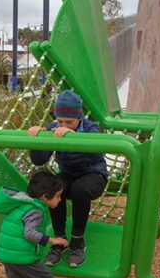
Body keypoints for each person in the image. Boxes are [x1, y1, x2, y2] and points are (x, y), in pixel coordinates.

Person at [28, 90, 107, 268]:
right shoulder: (53, 127)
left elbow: (97, 154)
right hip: (68, 175)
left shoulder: (90, 127)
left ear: (79, 117)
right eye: (60, 120)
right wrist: (36, 140)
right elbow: (39, 160)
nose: (63, 125)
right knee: (53, 188)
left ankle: (78, 242)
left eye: (69, 122)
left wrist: (72, 136)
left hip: (93, 175)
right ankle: (59, 241)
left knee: (80, 189)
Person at [0, 170, 69, 278]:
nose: (60, 199)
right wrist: (51, 240)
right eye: (57, 196)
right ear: (44, 196)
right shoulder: (36, 210)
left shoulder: (23, 204)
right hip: (21, 256)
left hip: (8, 255)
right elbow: (29, 233)